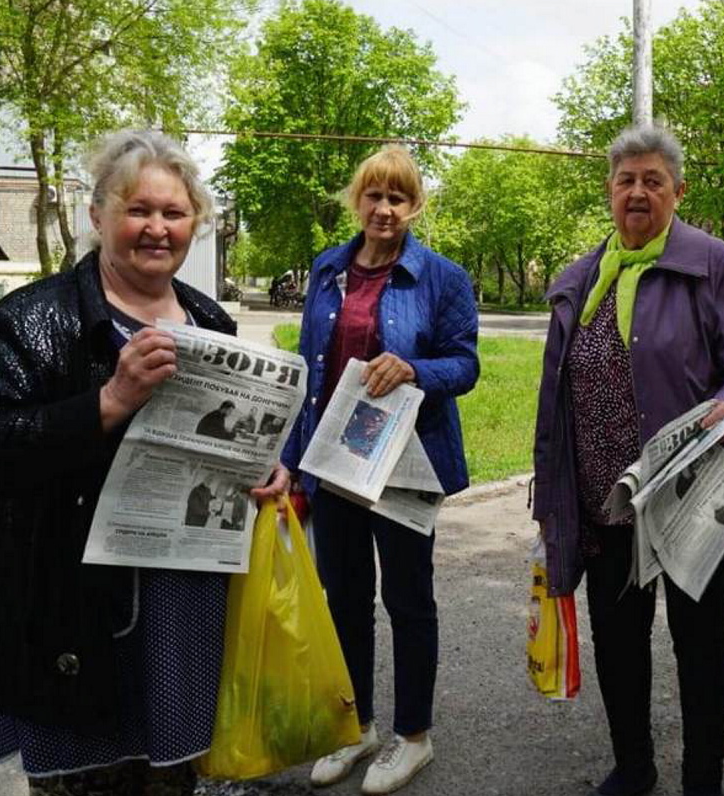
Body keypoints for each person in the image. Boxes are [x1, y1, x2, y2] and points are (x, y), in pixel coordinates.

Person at [0, 130, 288, 796]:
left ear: (196, 223)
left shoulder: (211, 321)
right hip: (77, 618)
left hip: (184, 611)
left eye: (174, 213)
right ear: (98, 217)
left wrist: (266, 468)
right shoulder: (34, 319)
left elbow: (233, 442)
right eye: (138, 210)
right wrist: (106, 403)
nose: (157, 228)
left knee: (173, 780)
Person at [532, 125, 724, 796]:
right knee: (618, 643)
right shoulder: (582, 278)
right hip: (604, 501)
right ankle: (634, 766)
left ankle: (704, 777)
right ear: (609, 191)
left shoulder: (709, 262)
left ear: (677, 192)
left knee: (700, 646)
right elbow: (556, 395)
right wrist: (550, 496)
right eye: (626, 180)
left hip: (691, 499)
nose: (638, 192)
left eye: (653, 181)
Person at [279, 145, 478, 794]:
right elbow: (311, 373)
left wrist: (416, 370)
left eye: (397, 197)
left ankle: (413, 735)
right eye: (373, 195)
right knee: (346, 600)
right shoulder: (327, 269)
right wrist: (291, 464)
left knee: (408, 600)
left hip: (406, 462)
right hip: (335, 459)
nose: (384, 208)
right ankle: (356, 724)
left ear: (414, 206)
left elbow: (465, 365)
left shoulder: (442, 277)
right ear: (355, 200)